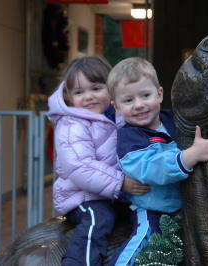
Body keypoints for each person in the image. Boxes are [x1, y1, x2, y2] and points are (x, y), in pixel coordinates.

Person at [106, 57, 208, 265]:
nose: (139, 105)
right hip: (153, 208)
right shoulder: (129, 139)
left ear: (159, 94)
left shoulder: (174, 121)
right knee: (143, 240)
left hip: (184, 208)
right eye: (128, 100)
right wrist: (189, 156)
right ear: (116, 107)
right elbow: (151, 169)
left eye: (145, 95)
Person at [47, 56, 150, 266]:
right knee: (98, 219)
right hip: (83, 196)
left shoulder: (120, 117)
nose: (88, 97)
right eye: (79, 92)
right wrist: (121, 183)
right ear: (69, 97)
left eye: (95, 88)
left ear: (110, 88)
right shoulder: (72, 125)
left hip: (115, 195)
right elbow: (80, 165)